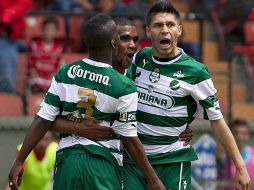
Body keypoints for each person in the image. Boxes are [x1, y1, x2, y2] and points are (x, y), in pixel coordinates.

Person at [8, 14, 165, 190]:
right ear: (113, 42)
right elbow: (129, 139)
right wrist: (153, 179)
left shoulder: (65, 73)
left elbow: (43, 119)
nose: (131, 45)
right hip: (103, 163)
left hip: (68, 162)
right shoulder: (124, 86)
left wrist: (19, 160)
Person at [123, 1, 250, 190]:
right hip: (135, 161)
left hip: (172, 161)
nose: (165, 30)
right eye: (158, 25)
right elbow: (124, 99)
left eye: (170, 25)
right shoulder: (140, 58)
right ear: (149, 32)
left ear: (179, 30)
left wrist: (240, 166)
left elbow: (217, 120)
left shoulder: (196, 72)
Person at [0, 0, 31, 93]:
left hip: (12, 37)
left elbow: (25, 4)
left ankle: (8, 95)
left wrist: (7, 14)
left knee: (7, 52)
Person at [27, 17, 63, 94]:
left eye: (52, 29)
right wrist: (35, 76)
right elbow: (31, 66)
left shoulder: (58, 49)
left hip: (49, 81)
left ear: (56, 32)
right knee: (34, 86)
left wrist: (52, 77)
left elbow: (58, 67)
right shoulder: (34, 45)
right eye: (47, 29)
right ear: (42, 30)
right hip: (36, 79)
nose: (49, 32)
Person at [216, 119, 254, 189]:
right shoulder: (224, 154)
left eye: (244, 133)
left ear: (248, 135)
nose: (240, 137)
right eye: (236, 133)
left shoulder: (253, 153)